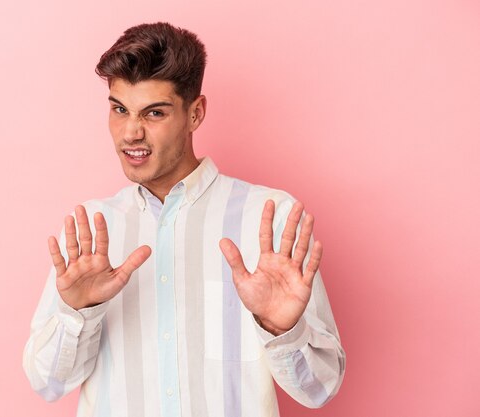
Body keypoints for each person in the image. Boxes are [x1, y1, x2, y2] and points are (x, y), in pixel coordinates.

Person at [23, 21, 345, 417]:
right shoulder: (90, 230)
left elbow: (321, 390)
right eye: (119, 109)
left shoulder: (270, 219)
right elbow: (48, 384)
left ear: (196, 114)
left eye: (154, 113)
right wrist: (78, 314)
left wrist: (280, 329)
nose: (130, 133)